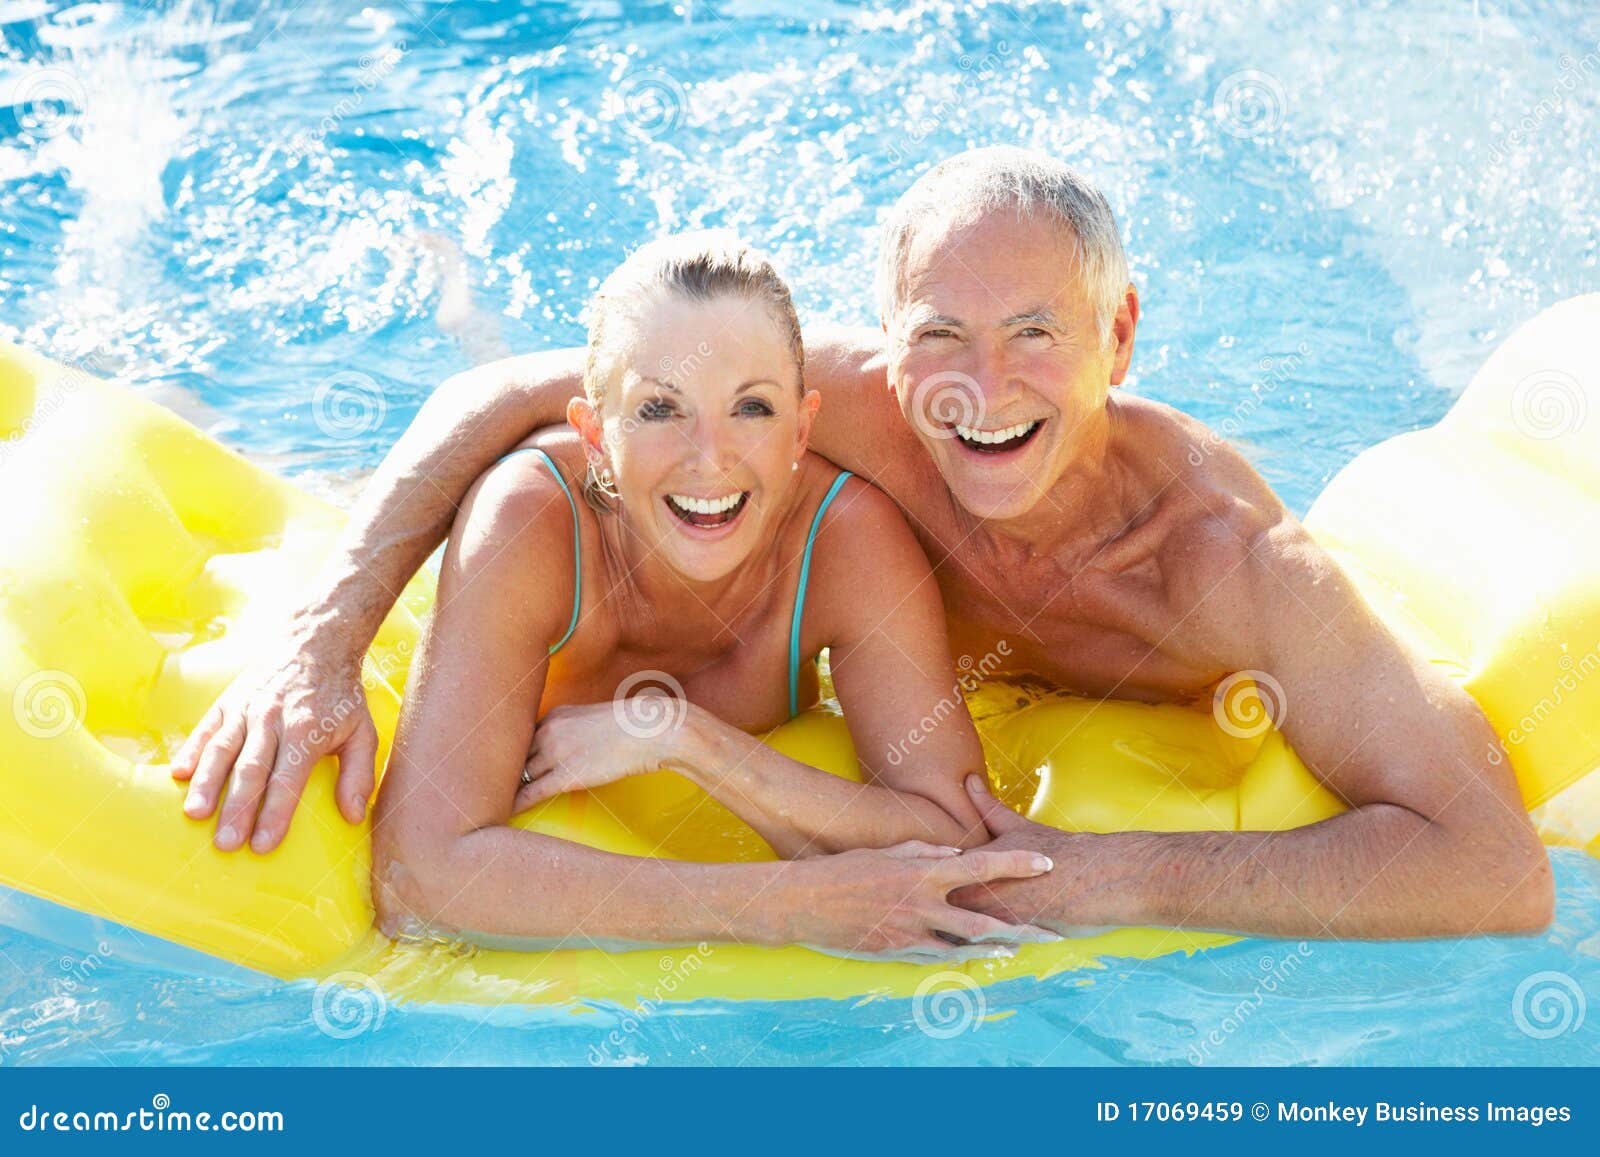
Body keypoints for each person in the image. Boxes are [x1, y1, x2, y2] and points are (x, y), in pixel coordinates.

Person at [173, 147, 1552, 939]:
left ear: (1119, 335)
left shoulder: (1233, 566)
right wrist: (320, 635)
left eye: (1036, 336)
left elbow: (1493, 868)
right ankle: (429, 292)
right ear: (884, 348)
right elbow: (515, 396)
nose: (983, 386)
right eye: (941, 334)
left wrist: (1129, 871)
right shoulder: (852, 411)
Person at [363, 231, 1056, 959]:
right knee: (479, 353)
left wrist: (683, 737)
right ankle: (457, 302)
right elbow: (418, 875)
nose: (710, 458)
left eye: (752, 408)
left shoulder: (844, 538)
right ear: (595, 435)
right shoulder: (526, 521)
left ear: (802, 428)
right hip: (515, 521)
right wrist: (782, 906)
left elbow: (958, 830)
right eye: (661, 409)